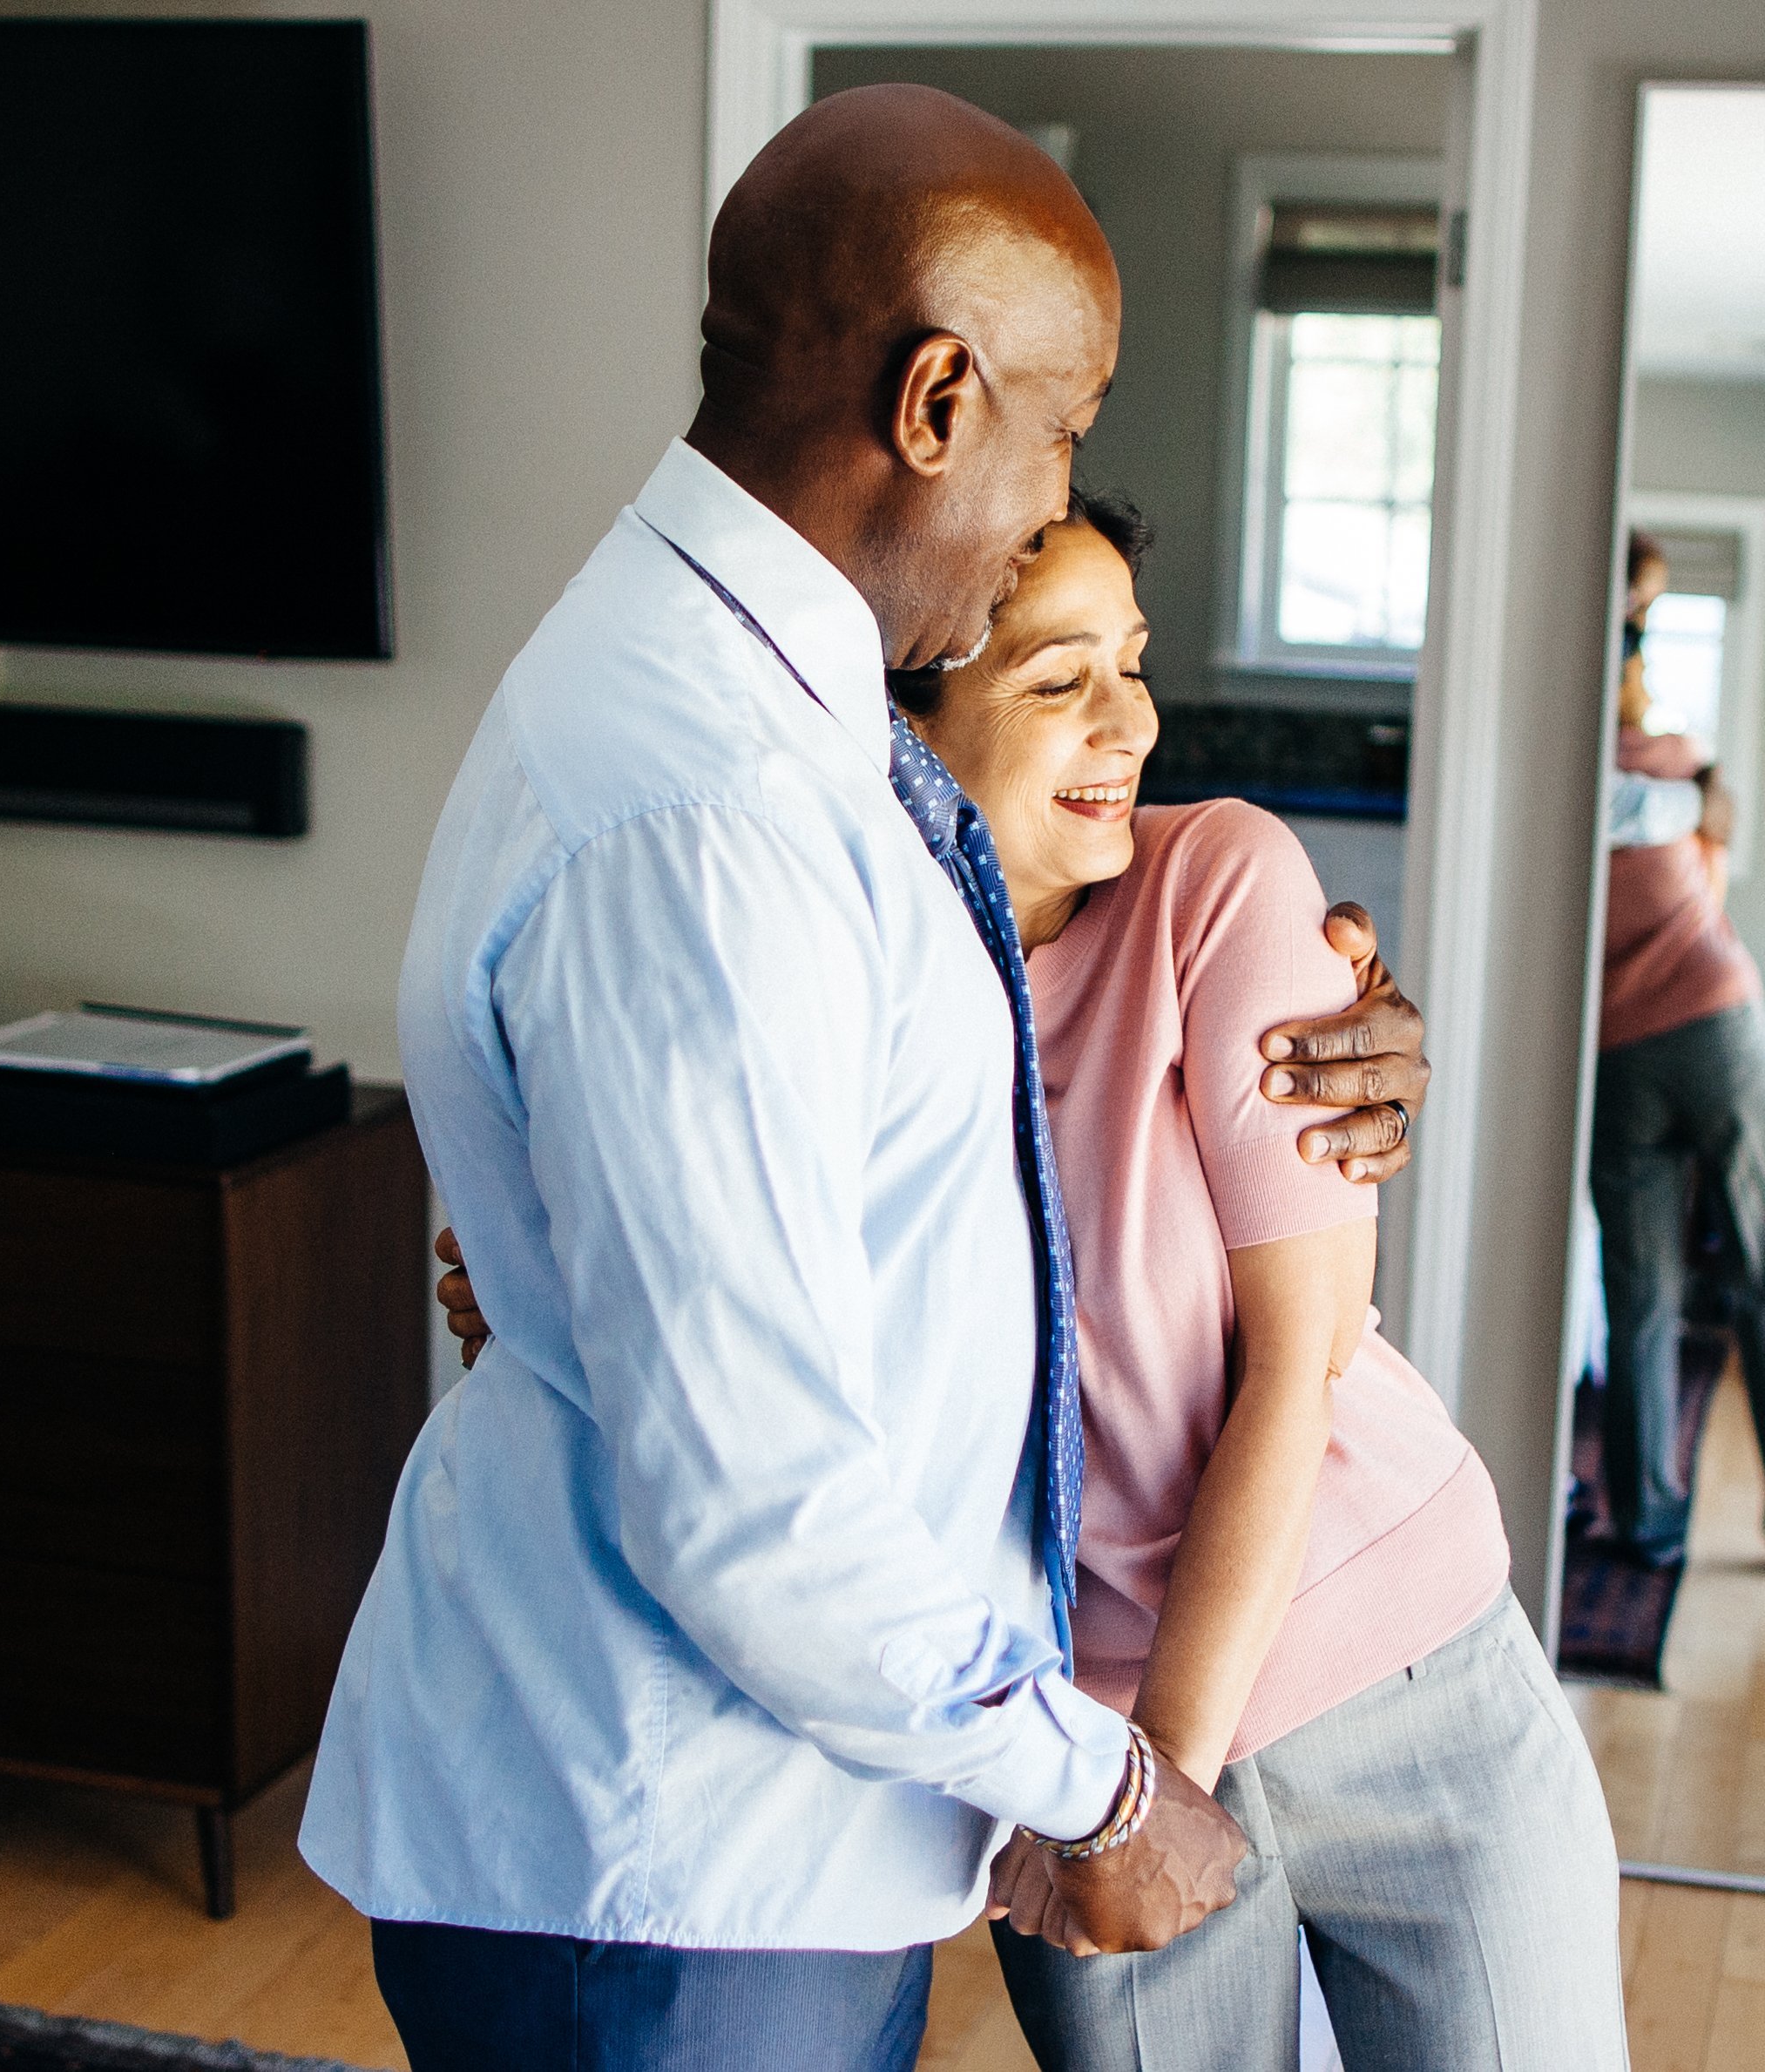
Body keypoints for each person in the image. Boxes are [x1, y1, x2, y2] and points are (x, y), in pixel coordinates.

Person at [299, 86, 1426, 2072]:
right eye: (1054, 433)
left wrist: (1300, 1008)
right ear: (933, 402)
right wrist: (1097, 1783)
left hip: (736, 1827)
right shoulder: (713, 803)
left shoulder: (725, 691)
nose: (1040, 512)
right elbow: (751, 1492)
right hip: (668, 1859)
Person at [436, 498, 1626, 2070]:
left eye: (1131, 665)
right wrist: (562, 1271)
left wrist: (1151, 1790)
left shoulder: (1218, 882)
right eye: (1060, 678)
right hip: (1059, 1732)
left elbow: (1299, 1361)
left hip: (1392, 1674)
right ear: (905, 716)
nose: (1128, 721)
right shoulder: (822, 975)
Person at [1591, 527, 1765, 1565]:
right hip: (1709, 1021)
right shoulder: (1672, 760)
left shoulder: (1566, 777)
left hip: (1618, 1048)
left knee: (1642, 1296)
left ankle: (1649, 1523)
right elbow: (1718, 868)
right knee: (1755, 1259)